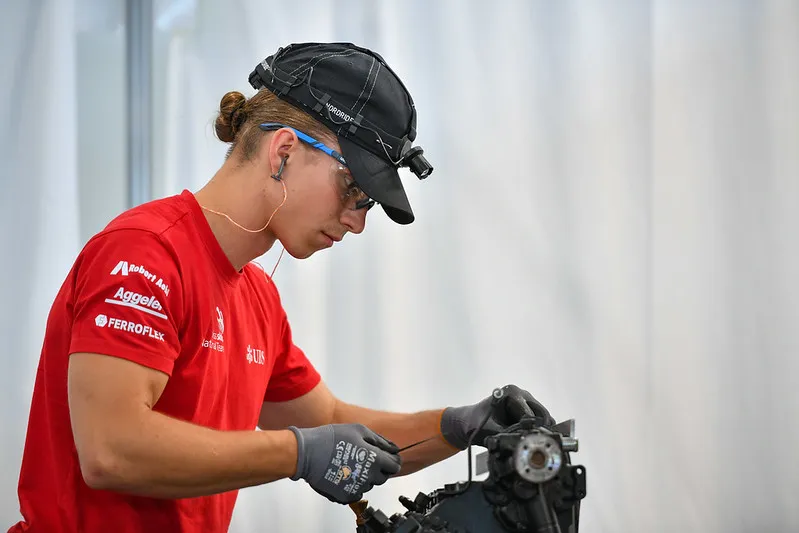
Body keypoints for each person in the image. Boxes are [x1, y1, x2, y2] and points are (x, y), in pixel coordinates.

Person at [9, 42, 554, 533]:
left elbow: (335, 427)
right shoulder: (144, 253)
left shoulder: (257, 299)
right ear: (285, 151)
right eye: (354, 190)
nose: (358, 221)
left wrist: (459, 425)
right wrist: (296, 454)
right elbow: (111, 450)